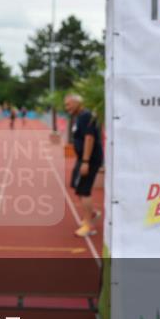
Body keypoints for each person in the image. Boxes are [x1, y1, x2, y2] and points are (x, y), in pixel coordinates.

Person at [64, 94, 103, 238]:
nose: (66, 107)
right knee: (77, 186)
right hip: (82, 158)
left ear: (77, 103)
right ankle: (91, 214)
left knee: (84, 190)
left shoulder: (86, 116)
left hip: (89, 159)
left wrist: (86, 161)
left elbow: (89, 138)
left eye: (68, 104)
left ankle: (89, 227)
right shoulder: (80, 116)